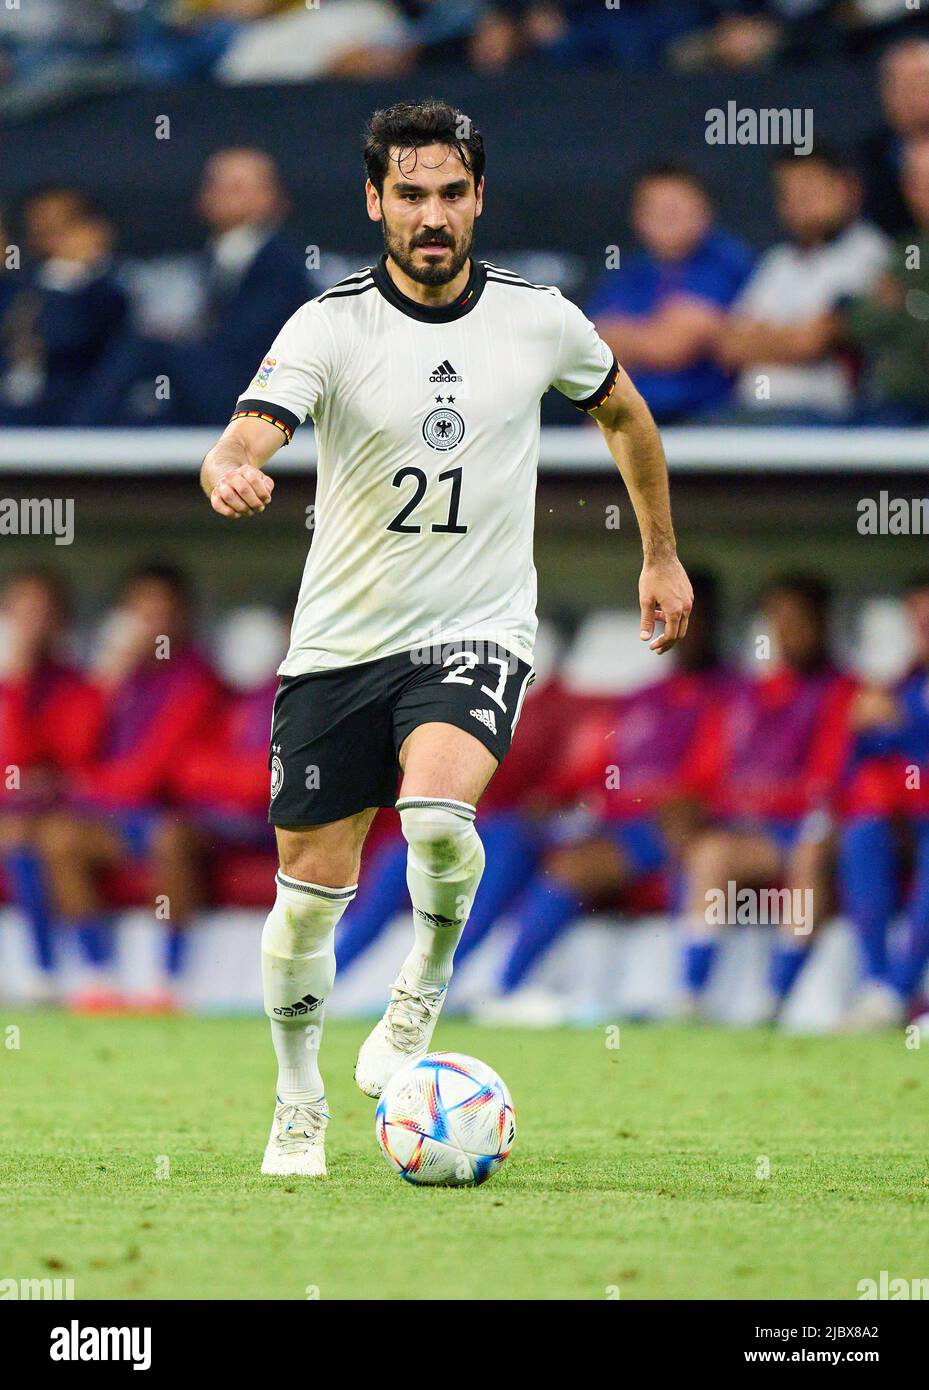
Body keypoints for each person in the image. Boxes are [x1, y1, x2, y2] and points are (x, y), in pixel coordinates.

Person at [199, 98, 693, 1178]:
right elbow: (251, 428)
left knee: (433, 812)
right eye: (411, 194)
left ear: (479, 199)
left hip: (474, 631)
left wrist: (657, 553)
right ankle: (297, 1102)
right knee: (303, 906)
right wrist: (233, 464)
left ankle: (418, 996)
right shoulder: (328, 324)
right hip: (339, 645)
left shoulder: (539, 318)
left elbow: (623, 413)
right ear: (374, 200)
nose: (433, 215)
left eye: (452, 194)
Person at [486, 571, 729, 1002]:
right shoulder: (642, 699)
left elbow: (711, 781)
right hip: (610, 826)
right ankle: (474, 983)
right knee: (508, 836)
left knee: (572, 867)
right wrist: (558, 796)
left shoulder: (730, 694)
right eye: (669, 615)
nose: (681, 628)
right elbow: (592, 771)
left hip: (675, 830)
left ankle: (505, 988)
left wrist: (676, 805)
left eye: (691, 617)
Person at [34, 564, 219, 1011]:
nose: (151, 624)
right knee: (58, 838)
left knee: (169, 838)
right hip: (113, 817)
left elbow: (154, 772)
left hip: (176, 817)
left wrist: (84, 787)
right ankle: (100, 977)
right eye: (141, 613)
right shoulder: (111, 679)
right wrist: (108, 678)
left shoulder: (197, 679)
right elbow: (73, 750)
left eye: (162, 612)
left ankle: (168, 983)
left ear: (182, 617)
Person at [677, 574, 856, 1021]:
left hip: (813, 832)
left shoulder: (843, 690)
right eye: (778, 620)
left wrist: (765, 800)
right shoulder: (747, 695)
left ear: (822, 623)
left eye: (798, 620)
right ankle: (691, 996)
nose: (788, 632)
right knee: (712, 853)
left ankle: (775, 1000)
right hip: (754, 833)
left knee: (811, 852)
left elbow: (829, 782)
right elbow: (706, 778)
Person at [78, 148, 311, 426]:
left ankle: (78, 430)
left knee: (148, 347)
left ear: (273, 197)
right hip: (209, 389)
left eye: (238, 188)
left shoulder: (282, 264)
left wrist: (180, 342)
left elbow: (244, 342)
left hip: (256, 393)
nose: (225, 196)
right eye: (217, 186)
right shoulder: (217, 257)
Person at [716, 147, 888, 422]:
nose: (801, 203)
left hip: (826, 419)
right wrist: (789, 335)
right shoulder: (778, 261)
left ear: (847, 189)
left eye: (810, 190)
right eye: (789, 194)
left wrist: (765, 336)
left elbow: (811, 341)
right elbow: (729, 346)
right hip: (750, 414)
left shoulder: (870, 251)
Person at [585, 162, 753, 423]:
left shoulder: (729, 263)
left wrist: (631, 338)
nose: (666, 218)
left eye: (676, 208)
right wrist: (652, 336)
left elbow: (672, 348)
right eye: (655, 209)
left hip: (708, 418)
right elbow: (591, 345)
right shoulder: (631, 270)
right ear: (638, 218)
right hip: (632, 414)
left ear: (704, 211)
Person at [0, 568, 103, 995]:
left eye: (42, 613)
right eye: (22, 613)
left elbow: (73, 760)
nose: (32, 624)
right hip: (13, 812)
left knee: (33, 837)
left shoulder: (76, 685)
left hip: (52, 817)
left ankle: (69, 973)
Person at [838, 574, 929, 1030]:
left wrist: (906, 725)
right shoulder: (902, 687)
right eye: (918, 619)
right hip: (908, 822)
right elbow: (853, 768)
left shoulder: (906, 701)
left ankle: (898, 990)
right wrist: (860, 728)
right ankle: (877, 985)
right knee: (862, 835)